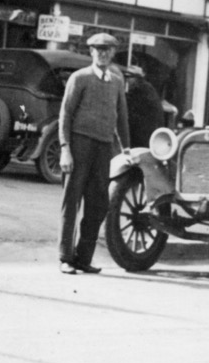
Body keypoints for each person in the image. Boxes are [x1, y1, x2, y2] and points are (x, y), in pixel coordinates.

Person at [57, 33, 130, 275]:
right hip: (79, 145)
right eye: (98, 49)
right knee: (72, 201)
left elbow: (121, 116)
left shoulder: (117, 81)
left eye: (107, 49)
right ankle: (66, 258)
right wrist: (65, 148)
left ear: (113, 53)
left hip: (103, 148)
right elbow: (65, 115)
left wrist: (126, 148)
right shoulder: (80, 78)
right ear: (90, 52)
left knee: (99, 204)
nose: (102, 53)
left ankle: (83, 258)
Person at [124, 65, 163, 148]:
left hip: (142, 135)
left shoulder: (139, 89)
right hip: (149, 134)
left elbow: (130, 111)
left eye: (129, 77)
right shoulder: (147, 87)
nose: (127, 80)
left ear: (135, 78)